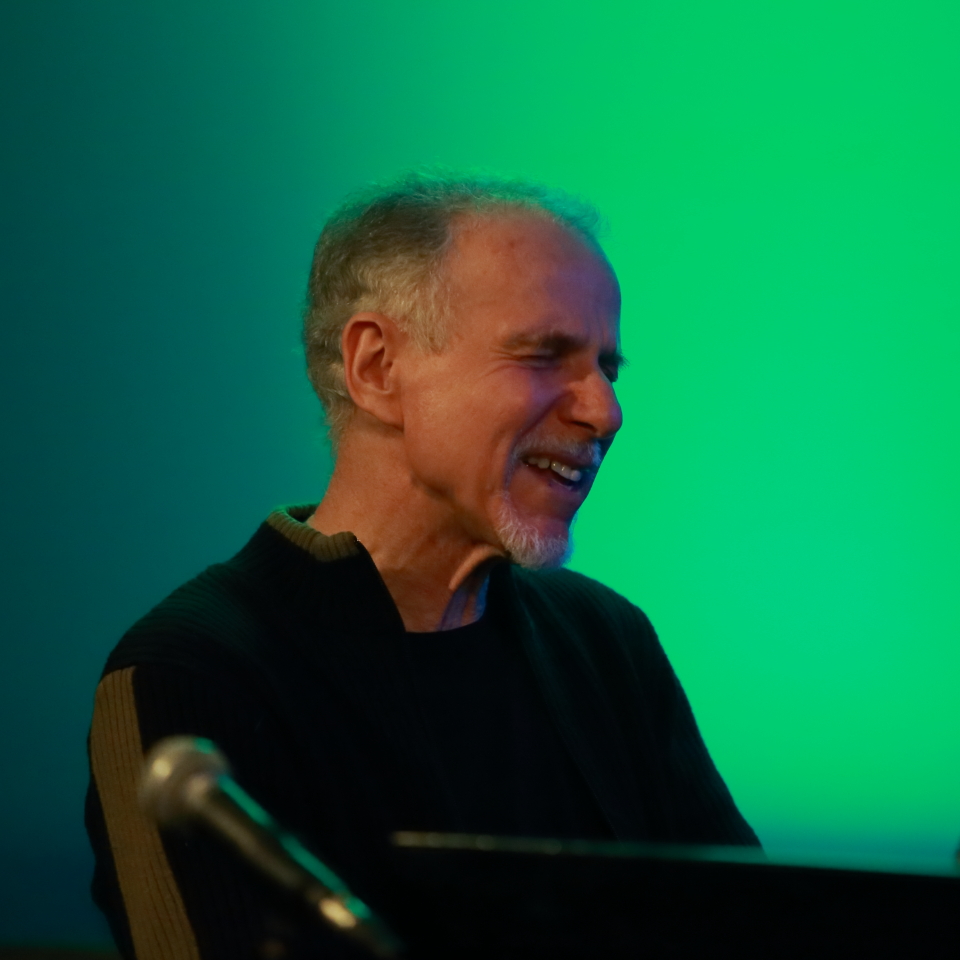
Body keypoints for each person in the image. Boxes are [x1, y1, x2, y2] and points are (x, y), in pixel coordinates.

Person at [85, 171, 759, 960]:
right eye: (544, 355)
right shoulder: (190, 675)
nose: (604, 411)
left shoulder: (607, 643)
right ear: (376, 367)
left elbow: (748, 929)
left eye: (607, 368)